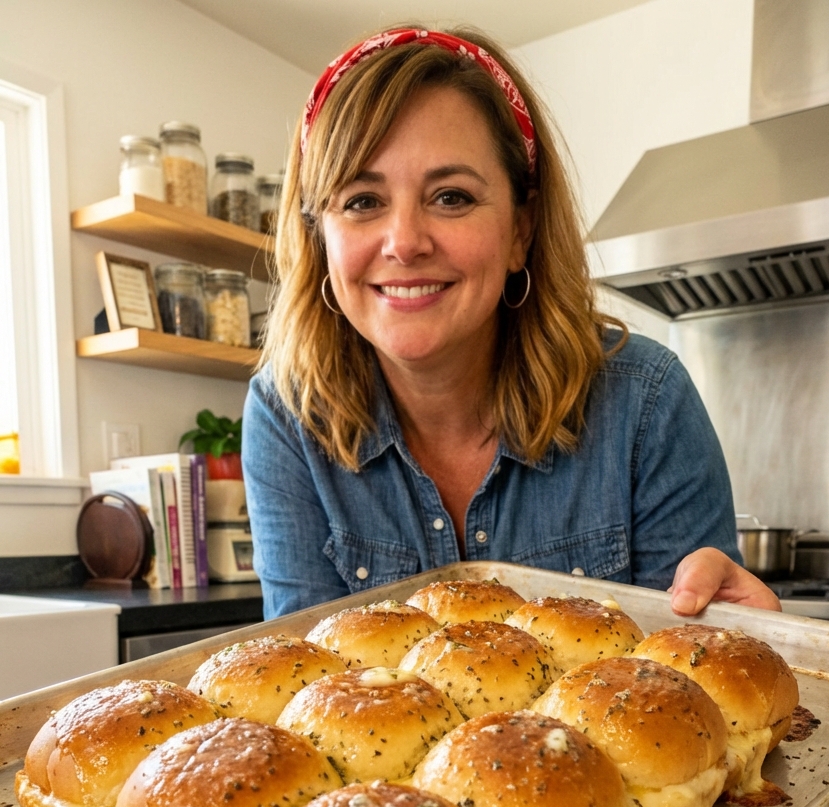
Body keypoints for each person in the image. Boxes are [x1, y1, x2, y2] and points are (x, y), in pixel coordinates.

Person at [243, 27, 780, 620]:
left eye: (451, 197)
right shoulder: (287, 416)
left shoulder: (647, 401)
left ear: (521, 230)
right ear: (320, 236)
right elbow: (304, 686)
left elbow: (682, 682)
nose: (405, 242)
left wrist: (731, 641)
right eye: (362, 201)